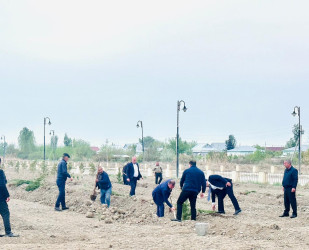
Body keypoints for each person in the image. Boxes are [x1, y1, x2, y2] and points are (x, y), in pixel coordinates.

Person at [0, 158, 18, 237]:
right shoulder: (0, 172)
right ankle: (8, 232)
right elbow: (2, 185)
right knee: (5, 213)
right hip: (0, 198)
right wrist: (7, 195)